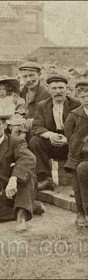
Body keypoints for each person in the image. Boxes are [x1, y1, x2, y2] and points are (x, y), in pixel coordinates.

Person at [29, 74, 81, 191]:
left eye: (61, 88)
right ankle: (45, 178)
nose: (58, 91)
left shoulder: (75, 104)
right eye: (54, 88)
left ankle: (78, 179)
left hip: (71, 145)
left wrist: (67, 139)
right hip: (52, 143)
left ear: (67, 89)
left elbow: (82, 129)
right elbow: (37, 126)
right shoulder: (43, 105)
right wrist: (51, 135)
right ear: (49, 90)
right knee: (34, 141)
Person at [64, 80, 88, 227]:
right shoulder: (74, 115)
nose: (86, 98)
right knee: (77, 176)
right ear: (79, 97)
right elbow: (69, 136)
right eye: (83, 96)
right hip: (77, 155)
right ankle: (80, 212)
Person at [19, 61, 51, 133]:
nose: (28, 80)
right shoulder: (22, 91)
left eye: (31, 75)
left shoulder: (46, 93)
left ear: (39, 75)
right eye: (25, 76)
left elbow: (48, 119)